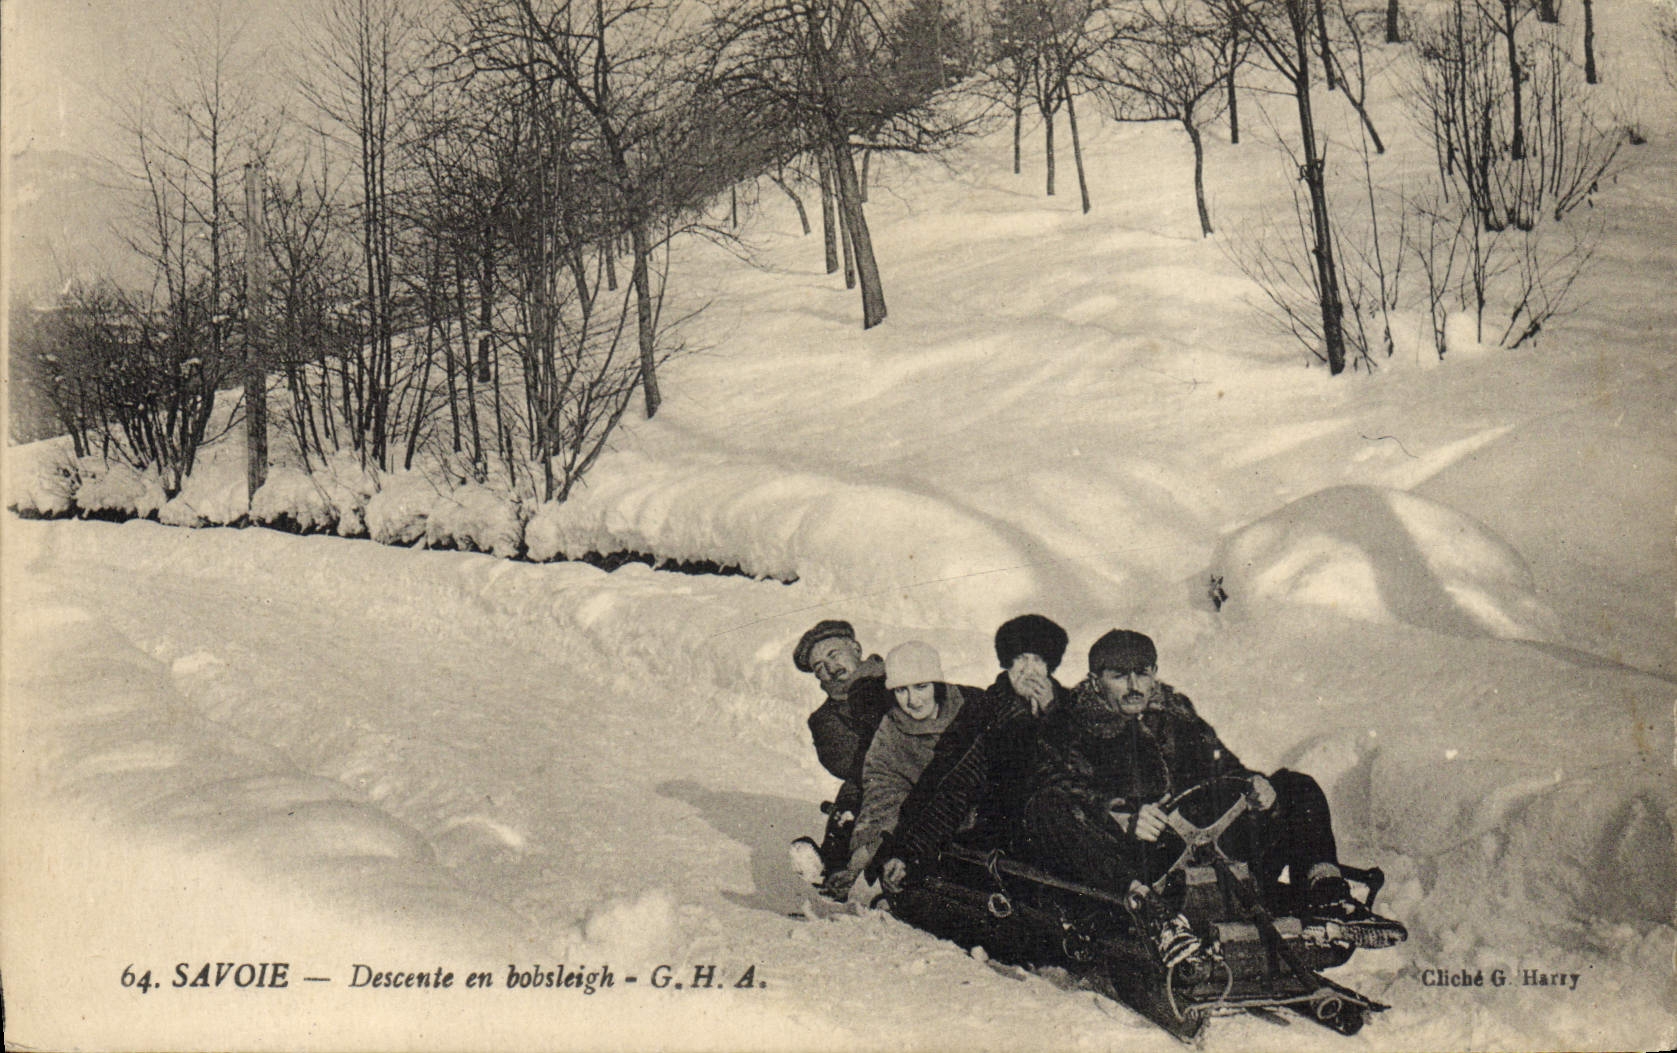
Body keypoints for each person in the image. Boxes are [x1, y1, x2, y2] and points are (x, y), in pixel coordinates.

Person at [1022, 629, 1406, 967]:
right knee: (1049, 807)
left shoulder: (1176, 716)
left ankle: (1329, 901)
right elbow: (1054, 783)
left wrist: (1256, 788)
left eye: (1143, 673)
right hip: (1135, 863)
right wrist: (1116, 814)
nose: (1134, 685)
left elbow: (1225, 769)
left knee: (1294, 786)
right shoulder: (1069, 724)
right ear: (1095, 681)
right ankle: (1153, 917)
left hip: (1205, 852)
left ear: (1155, 674)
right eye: (1119, 676)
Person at [879, 614, 1075, 889]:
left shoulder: (1071, 709)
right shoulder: (986, 711)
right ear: (1007, 662)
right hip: (1006, 840)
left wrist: (1053, 715)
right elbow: (952, 780)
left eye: (1038, 660)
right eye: (1020, 659)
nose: (1029, 670)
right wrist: (907, 850)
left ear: (1049, 666)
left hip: (1068, 831)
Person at [829, 640, 972, 902]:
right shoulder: (890, 734)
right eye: (901, 690)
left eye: (921, 686)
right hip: (935, 831)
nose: (913, 700)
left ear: (936, 684)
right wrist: (856, 865)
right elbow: (883, 795)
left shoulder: (973, 708)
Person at [790, 620, 895, 884]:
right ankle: (834, 869)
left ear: (855, 649)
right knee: (855, 793)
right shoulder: (826, 719)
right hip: (887, 783)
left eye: (834, 655)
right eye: (819, 668)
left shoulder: (902, 679)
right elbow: (854, 765)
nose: (831, 668)